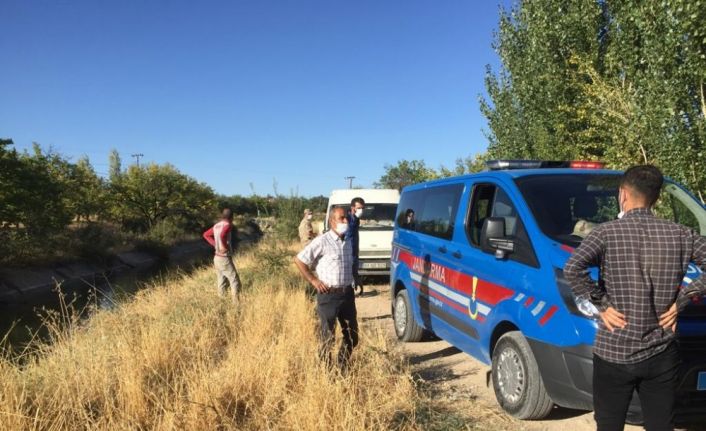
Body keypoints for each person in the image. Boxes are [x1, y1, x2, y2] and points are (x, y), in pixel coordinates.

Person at [564, 165, 706, 431]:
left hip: (614, 350)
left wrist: (602, 305)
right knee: (661, 424)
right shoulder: (681, 234)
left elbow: (572, 268)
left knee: (609, 424)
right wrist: (682, 302)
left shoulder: (605, 233)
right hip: (662, 349)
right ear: (656, 197)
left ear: (623, 194)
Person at [294, 207, 358, 369]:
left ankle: (342, 367)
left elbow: (349, 264)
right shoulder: (322, 241)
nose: (346, 221)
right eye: (342, 218)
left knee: (352, 336)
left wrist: (356, 278)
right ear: (332, 221)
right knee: (327, 337)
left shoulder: (348, 241)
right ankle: (326, 373)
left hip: (347, 295)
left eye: (346, 219)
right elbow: (300, 260)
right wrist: (314, 281)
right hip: (328, 295)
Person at [203, 208, 242, 304]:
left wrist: (215, 244)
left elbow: (206, 235)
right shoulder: (228, 225)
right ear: (231, 217)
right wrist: (224, 246)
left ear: (222, 216)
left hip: (217, 257)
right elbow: (222, 235)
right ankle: (236, 304)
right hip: (224, 257)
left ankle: (221, 302)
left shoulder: (217, 225)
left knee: (221, 281)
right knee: (235, 280)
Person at [346, 197, 365, 294]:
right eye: (359, 208)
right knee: (348, 273)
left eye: (362, 208)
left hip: (355, 250)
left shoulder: (356, 218)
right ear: (352, 207)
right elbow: (347, 234)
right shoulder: (346, 218)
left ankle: (356, 288)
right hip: (347, 251)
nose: (361, 210)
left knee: (355, 272)